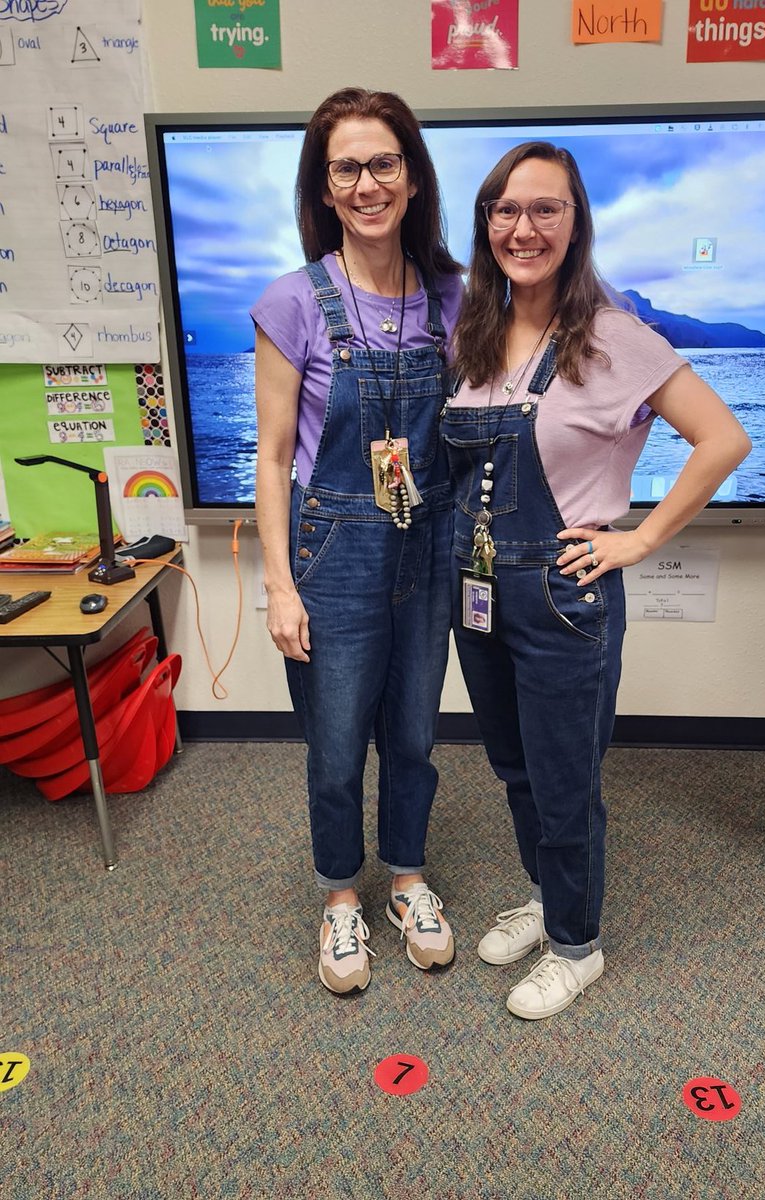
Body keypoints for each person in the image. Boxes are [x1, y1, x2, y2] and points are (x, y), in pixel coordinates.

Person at [443, 141, 751, 1020]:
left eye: (546, 209)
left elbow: (724, 438)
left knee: (565, 777)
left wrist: (640, 539)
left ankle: (578, 946)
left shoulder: (612, 333)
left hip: (563, 599)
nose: (523, 227)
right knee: (514, 767)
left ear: (576, 225)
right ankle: (548, 901)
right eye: (506, 209)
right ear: (487, 224)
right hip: (480, 593)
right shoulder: (473, 333)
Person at [252, 88, 462, 995]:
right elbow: (269, 457)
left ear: (411, 178)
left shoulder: (457, 295)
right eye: (347, 167)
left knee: (413, 737)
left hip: (428, 548)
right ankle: (342, 896)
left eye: (384, 163)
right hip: (329, 552)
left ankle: (406, 879)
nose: (368, 182)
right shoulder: (293, 301)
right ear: (325, 188)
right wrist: (279, 586)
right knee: (336, 747)